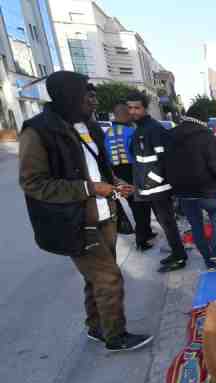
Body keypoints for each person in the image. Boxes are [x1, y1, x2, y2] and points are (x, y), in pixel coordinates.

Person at [18, 71, 152, 352]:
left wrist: (115, 184)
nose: (93, 102)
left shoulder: (89, 126)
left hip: (106, 216)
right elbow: (33, 184)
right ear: (68, 97)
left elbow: (98, 167)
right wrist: (91, 189)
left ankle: (97, 327)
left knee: (97, 278)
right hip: (76, 220)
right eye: (86, 97)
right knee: (108, 278)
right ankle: (116, 337)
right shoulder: (38, 131)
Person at [165, 104, 216, 271]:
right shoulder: (205, 134)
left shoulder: (171, 134)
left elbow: (165, 163)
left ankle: (208, 261)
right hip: (206, 189)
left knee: (196, 226)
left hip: (183, 191)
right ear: (203, 118)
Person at [127, 91, 187, 273]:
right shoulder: (140, 129)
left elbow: (165, 159)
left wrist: (151, 182)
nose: (133, 111)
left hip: (157, 188)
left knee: (168, 223)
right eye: (130, 108)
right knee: (165, 223)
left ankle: (179, 257)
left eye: (137, 108)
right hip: (150, 188)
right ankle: (177, 253)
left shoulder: (153, 129)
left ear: (145, 108)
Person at [104, 102, 157, 250]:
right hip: (133, 171)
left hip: (117, 174)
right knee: (141, 206)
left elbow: (105, 157)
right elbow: (139, 154)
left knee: (135, 206)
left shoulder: (107, 133)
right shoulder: (131, 132)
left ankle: (146, 232)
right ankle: (142, 240)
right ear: (125, 115)